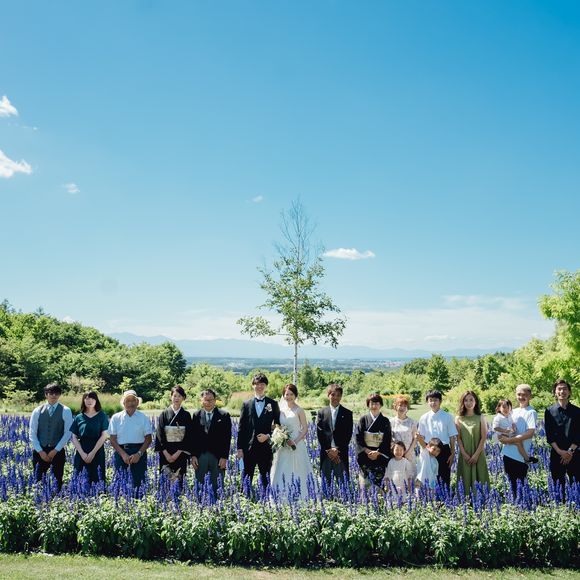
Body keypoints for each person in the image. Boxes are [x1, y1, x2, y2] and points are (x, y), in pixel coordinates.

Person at [270, 384, 314, 500]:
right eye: (286, 394)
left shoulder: (299, 410)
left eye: (291, 394)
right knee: (282, 468)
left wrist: (295, 441)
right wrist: (278, 435)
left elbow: (305, 428)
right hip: (283, 445)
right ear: (283, 396)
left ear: (295, 395)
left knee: (297, 469)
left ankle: (301, 496)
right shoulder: (280, 410)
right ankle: (281, 496)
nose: (289, 397)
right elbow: (277, 426)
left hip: (296, 444)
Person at [237, 373, 281, 489]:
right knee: (246, 480)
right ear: (253, 385)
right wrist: (240, 448)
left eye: (262, 384)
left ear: (266, 386)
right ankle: (245, 498)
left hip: (266, 448)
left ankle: (266, 499)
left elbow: (278, 426)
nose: (259, 386)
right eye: (257, 384)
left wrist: (268, 436)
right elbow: (241, 428)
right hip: (248, 448)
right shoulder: (246, 404)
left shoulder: (273, 404)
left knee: (266, 480)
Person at [29, 382, 73, 490]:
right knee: (38, 481)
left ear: (59, 395)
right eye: (51, 393)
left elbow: (68, 433)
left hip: (58, 451)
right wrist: (40, 451)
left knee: (58, 481)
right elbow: (32, 433)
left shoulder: (66, 410)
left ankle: (57, 499)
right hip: (40, 450)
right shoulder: (37, 411)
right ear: (46, 394)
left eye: (56, 393)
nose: (54, 395)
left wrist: (55, 450)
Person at [109, 389, 153, 489]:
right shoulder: (116, 418)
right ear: (123, 403)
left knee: (139, 484)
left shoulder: (143, 417)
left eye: (133, 400)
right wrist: (123, 454)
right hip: (121, 452)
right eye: (128, 401)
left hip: (139, 452)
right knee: (120, 485)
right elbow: (112, 440)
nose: (131, 403)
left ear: (137, 402)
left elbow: (148, 439)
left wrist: (139, 454)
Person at [498, 384, 538, 496]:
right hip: (507, 452)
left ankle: (522, 505)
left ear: (530, 396)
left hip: (520, 456)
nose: (521, 397)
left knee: (521, 486)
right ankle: (515, 504)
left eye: (524, 395)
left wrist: (510, 440)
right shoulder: (512, 411)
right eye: (519, 394)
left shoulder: (531, 412)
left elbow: (530, 433)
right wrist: (503, 436)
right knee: (511, 484)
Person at [192, 388, 232, 492]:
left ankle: (217, 502)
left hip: (218, 457)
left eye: (211, 400)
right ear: (201, 401)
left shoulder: (224, 415)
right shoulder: (196, 415)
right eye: (205, 400)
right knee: (200, 486)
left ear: (215, 400)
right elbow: (193, 438)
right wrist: (193, 456)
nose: (208, 402)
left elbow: (227, 438)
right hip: (201, 456)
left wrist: (224, 457)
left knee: (217, 487)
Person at [544, 379, 579, 493]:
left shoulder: (577, 411)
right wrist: (560, 452)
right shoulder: (549, 411)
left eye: (565, 389)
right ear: (555, 392)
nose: (562, 391)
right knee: (558, 487)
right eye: (559, 389)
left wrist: (569, 452)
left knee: (577, 485)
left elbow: (578, 434)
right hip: (557, 454)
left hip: (575, 454)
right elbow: (549, 435)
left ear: (569, 392)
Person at [417, 390, 457, 488]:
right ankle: (430, 497)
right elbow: (421, 437)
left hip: (444, 450)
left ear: (440, 401)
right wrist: (424, 451)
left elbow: (452, 437)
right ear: (427, 402)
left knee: (444, 478)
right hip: (429, 450)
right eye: (430, 400)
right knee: (429, 478)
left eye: (435, 400)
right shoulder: (423, 418)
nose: (433, 403)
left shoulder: (447, 417)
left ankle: (445, 497)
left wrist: (452, 453)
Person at [155, 385, 193, 483]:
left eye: (179, 396)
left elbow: (188, 436)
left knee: (179, 481)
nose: (177, 398)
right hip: (166, 453)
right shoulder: (164, 414)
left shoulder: (186, 415)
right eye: (174, 396)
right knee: (166, 481)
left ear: (183, 398)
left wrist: (178, 453)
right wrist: (166, 454)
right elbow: (160, 435)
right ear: (171, 397)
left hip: (180, 453)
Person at [316, 383, 353, 484]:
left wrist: (337, 450)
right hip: (326, 454)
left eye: (338, 395)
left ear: (341, 396)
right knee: (325, 485)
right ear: (328, 395)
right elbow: (320, 433)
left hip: (340, 455)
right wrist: (329, 450)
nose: (335, 397)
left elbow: (348, 435)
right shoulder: (322, 412)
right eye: (333, 395)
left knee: (343, 484)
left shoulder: (347, 413)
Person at [70, 391, 109, 484]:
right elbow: (74, 437)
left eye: (92, 398)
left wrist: (92, 453)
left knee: (97, 479)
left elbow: (104, 435)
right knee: (79, 482)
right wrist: (82, 454)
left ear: (96, 401)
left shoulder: (102, 416)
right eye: (87, 398)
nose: (90, 401)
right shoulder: (79, 417)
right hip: (82, 451)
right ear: (83, 400)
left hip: (97, 451)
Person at [455, 391, 489, 493]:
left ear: (475, 401)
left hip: (478, 453)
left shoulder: (481, 417)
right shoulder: (458, 418)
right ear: (463, 402)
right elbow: (458, 438)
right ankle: (465, 500)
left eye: (471, 400)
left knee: (480, 477)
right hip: (465, 454)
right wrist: (464, 454)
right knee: (464, 479)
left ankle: (483, 499)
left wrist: (476, 455)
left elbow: (484, 437)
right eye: (466, 400)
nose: (469, 403)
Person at [355, 393, 392, 488]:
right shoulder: (363, 419)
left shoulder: (385, 421)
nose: (374, 406)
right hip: (365, 455)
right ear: (368, 405)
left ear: (381, 405)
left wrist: (377, 452)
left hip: (379, 456)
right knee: (365, 485)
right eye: (372, 403)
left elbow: (387, 439)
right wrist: (367, 451)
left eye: (377, 403)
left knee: (379, 485)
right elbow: (358, 438)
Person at [492, 399, 538, 464]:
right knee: (518, 442)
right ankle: (527, 458)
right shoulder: (498, 417)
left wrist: (513, 426)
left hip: (508, 435)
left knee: (519, 442)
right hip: (502, 436)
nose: (506, 409)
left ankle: (526, 458)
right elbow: (495, 427)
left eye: (508, 408)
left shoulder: (509, 415)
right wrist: (504, 430)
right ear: (499, 408)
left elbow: (512, 422)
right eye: (504, 407)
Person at [389, 395, 418, 479]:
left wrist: (408, 452)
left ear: (407, 408)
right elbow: (389, 439)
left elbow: (415, 438)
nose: (402, 408)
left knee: (409, 479)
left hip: (409, 454)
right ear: (395, 407)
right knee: (397, 479)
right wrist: (397, 453)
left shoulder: (412, 422)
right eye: (400, 405)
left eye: (405, 406)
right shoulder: (391, 422)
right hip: (396, 455)